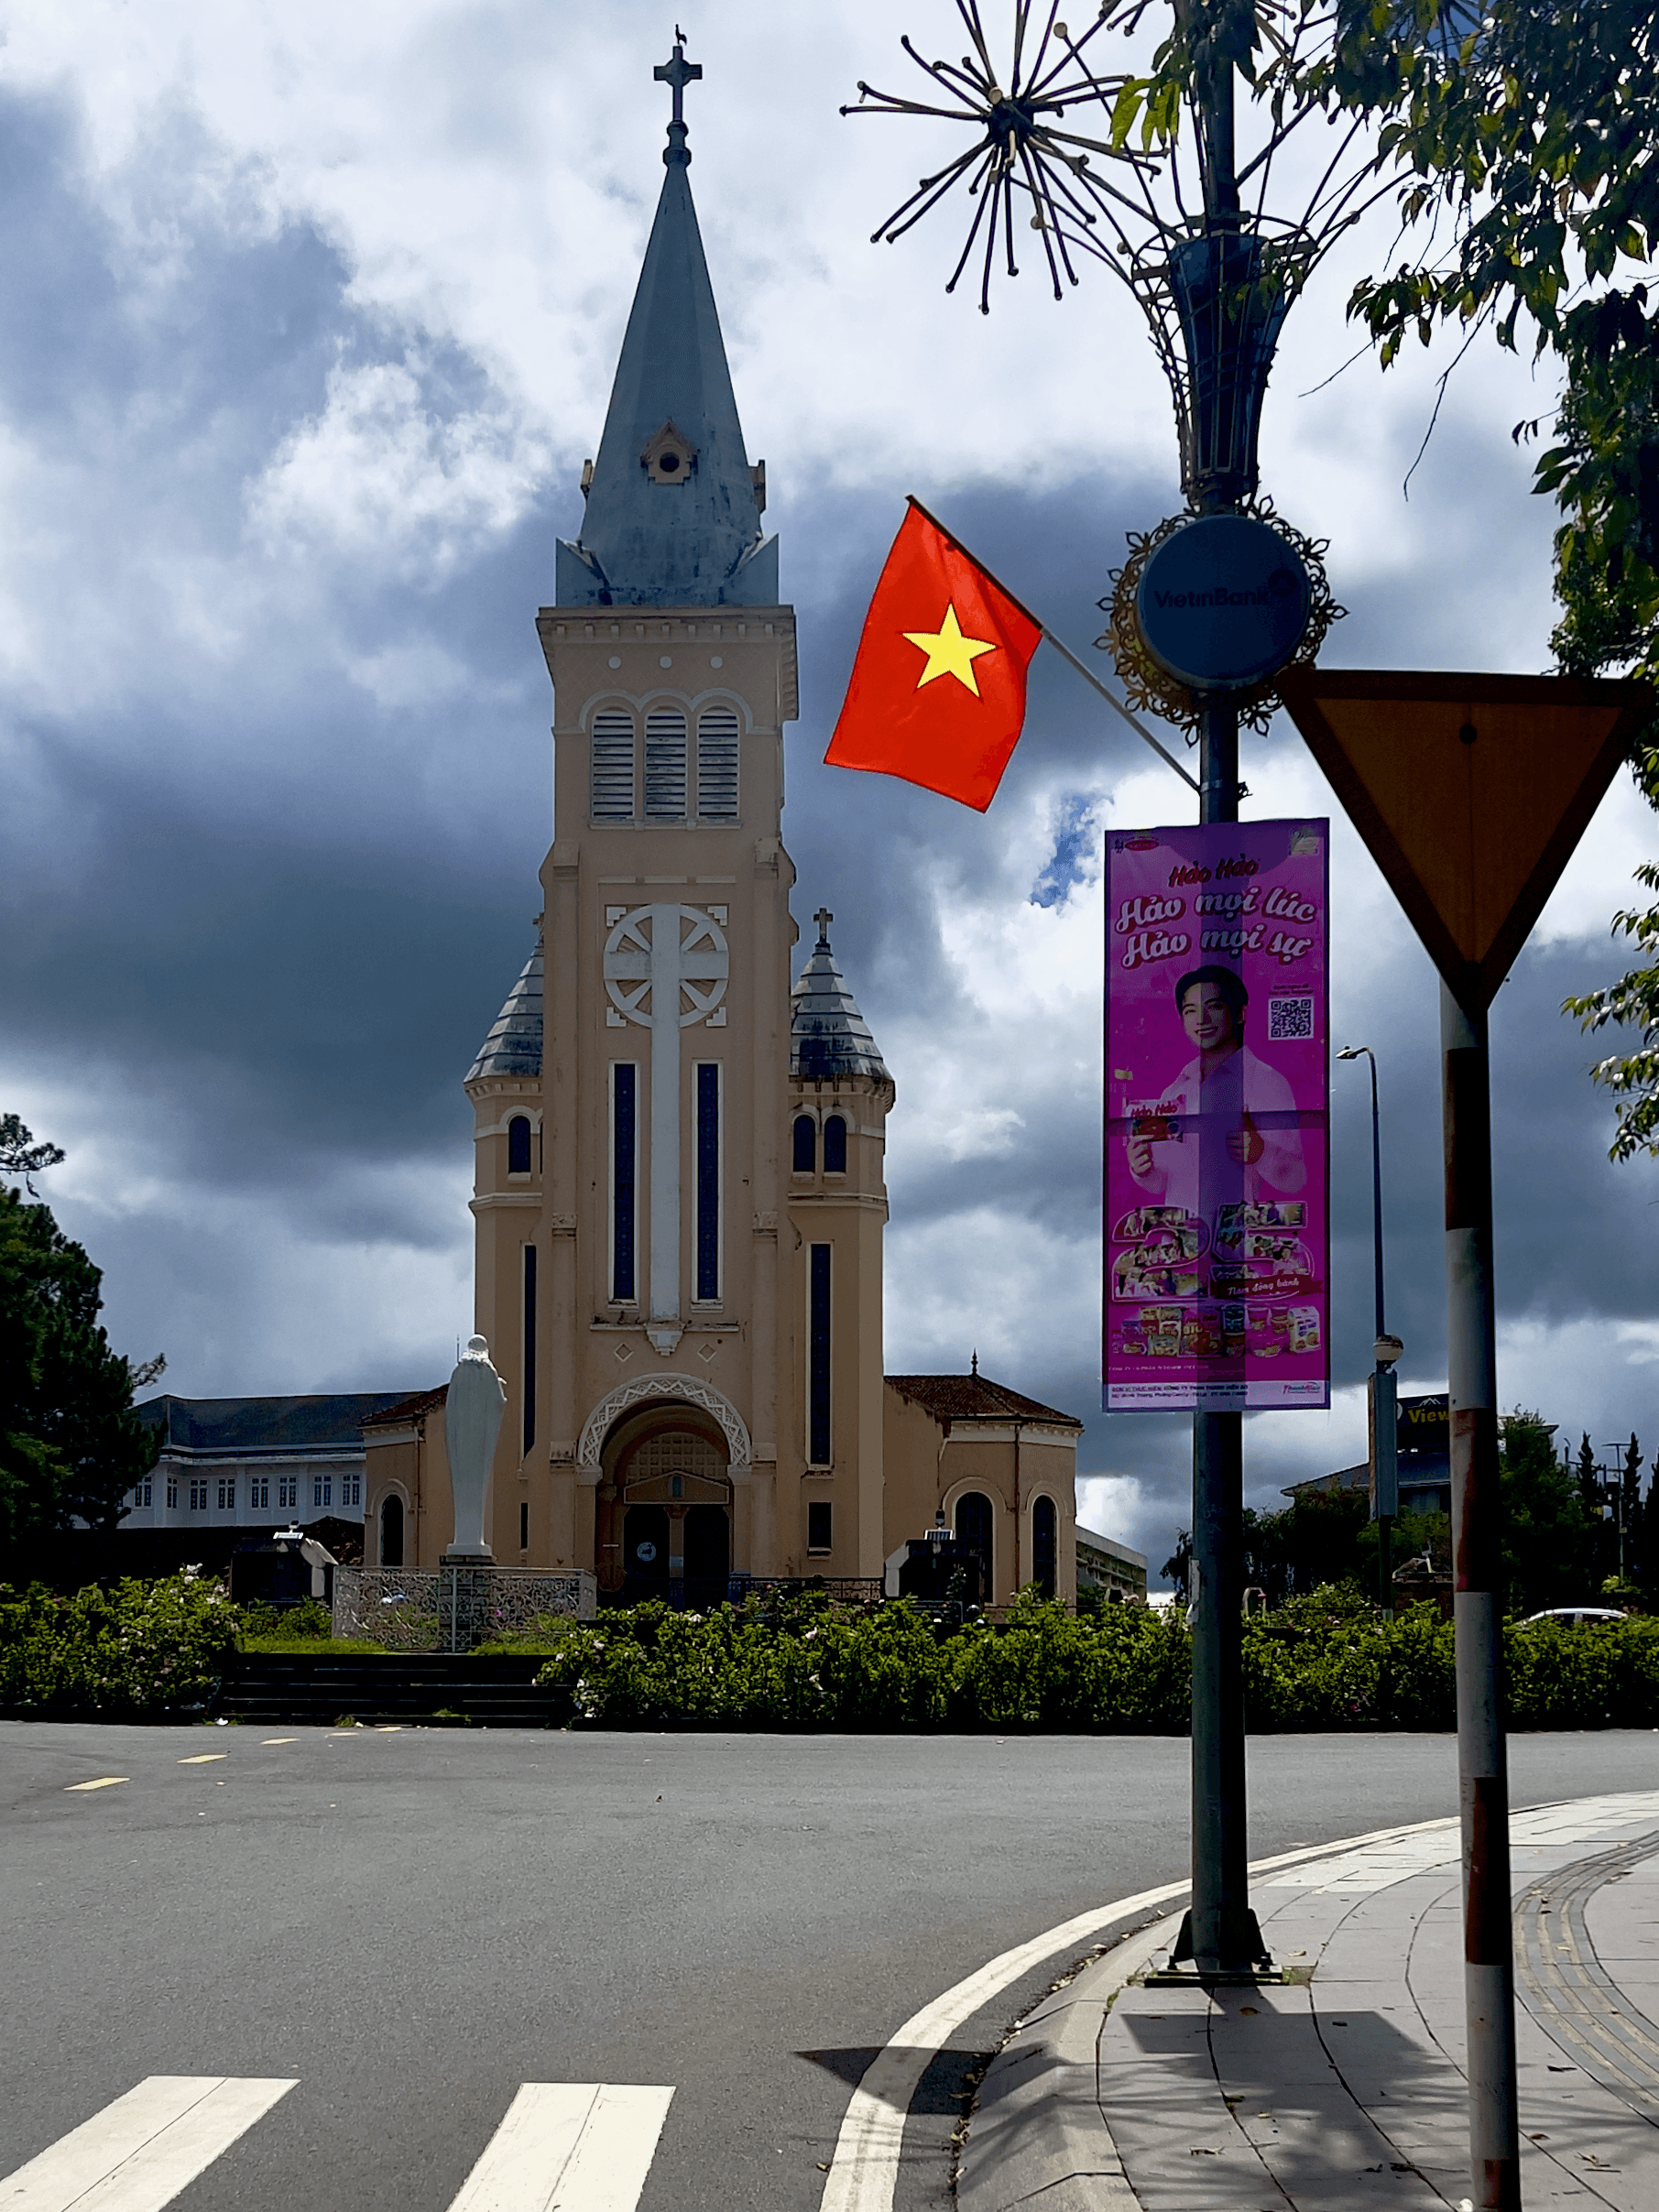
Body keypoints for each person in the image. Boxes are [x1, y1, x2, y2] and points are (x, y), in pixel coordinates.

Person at [1124, 965, 1305, 1215]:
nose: (1201, 1019)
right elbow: (1162, 1181)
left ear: (1241, 1014)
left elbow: (1296, 1179)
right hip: (1180, 1244)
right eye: (1191, 1011)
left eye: (1215, 1007)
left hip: (1237, 1241)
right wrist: (1142, 1168)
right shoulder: (1176, 1090)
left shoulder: (1266, 1081)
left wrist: (1260, 1152)